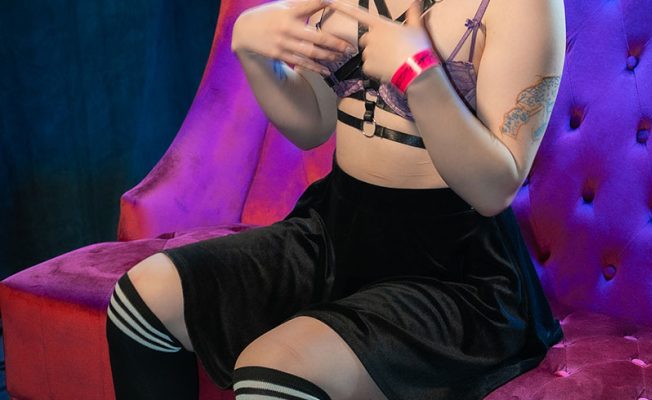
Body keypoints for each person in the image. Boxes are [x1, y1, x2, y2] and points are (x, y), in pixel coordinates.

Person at [104, 0, 566, 398]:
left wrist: (420, 76)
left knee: (272, 374)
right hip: (337, 227)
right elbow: (313, 122)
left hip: (457, 269)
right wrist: (255, 54)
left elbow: (495, 189)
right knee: (142, 301)